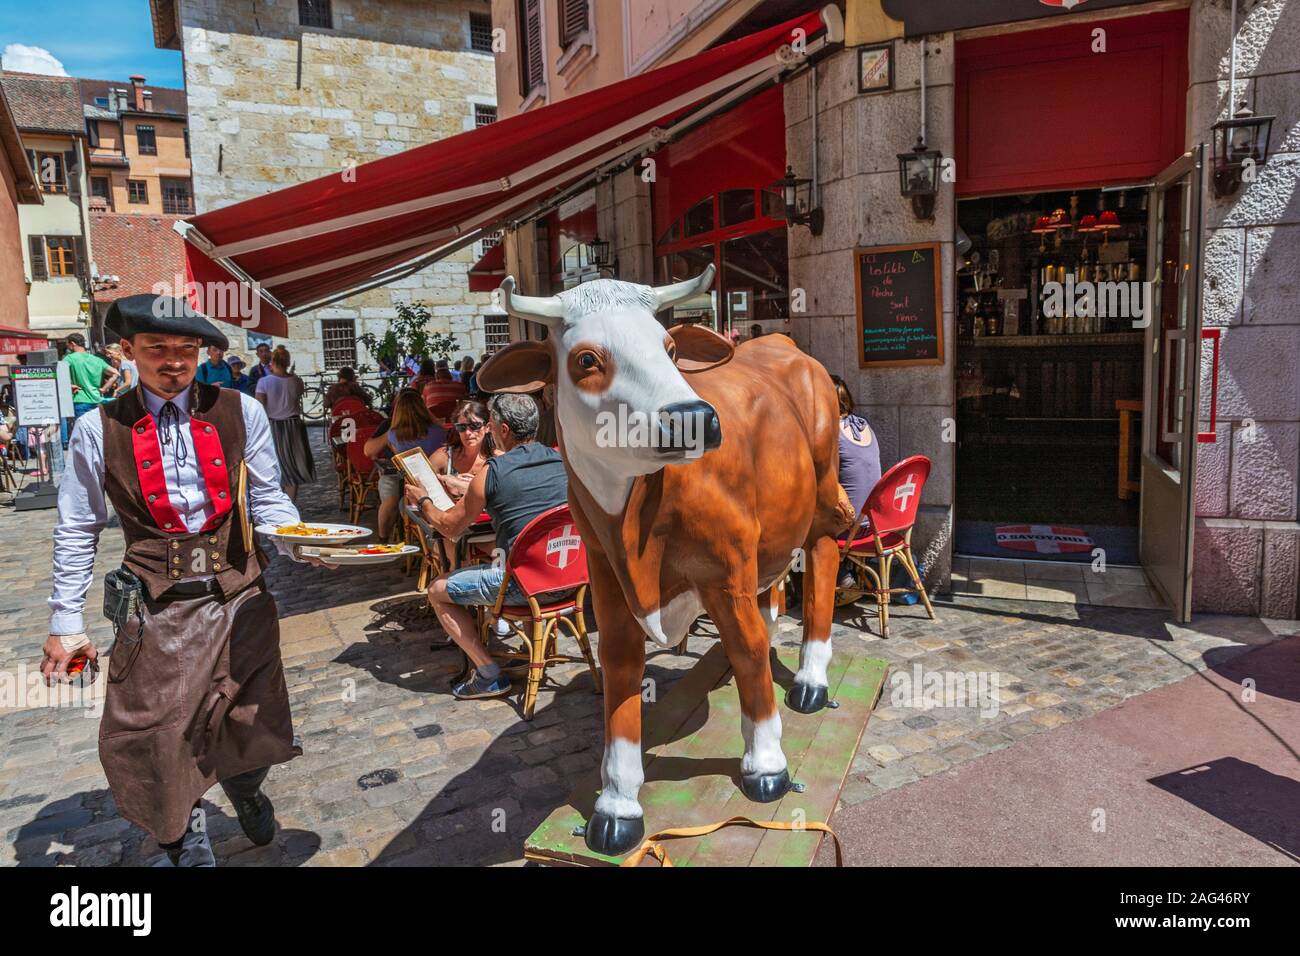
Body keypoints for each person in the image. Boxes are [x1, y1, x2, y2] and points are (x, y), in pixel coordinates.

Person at [42, 293, 337, 867]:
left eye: (186, 349)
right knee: (158, 732)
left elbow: (267, 496)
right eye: (157, 349)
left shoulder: (241, 410)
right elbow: (77, 527)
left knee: (250, 715)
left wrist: (300, 540)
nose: (174, 361)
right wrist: (65, 622)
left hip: (238, 594)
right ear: (127, 351)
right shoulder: (96, 428)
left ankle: (246, 788)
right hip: (156, 608)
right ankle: (183, 835)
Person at [408, 393, 568, 700]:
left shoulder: (494, 472)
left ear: (504, 430)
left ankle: (487, 674)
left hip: (523, 585)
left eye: (491, 425)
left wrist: (424, 500)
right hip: (570, 581)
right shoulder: (563, 461)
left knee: (437, 590)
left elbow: (449, 527)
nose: (489, 431)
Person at [363, 390, 446, 540]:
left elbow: (371, 453)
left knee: (391, 500)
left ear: (397, 408)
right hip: (432, 479)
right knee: (394, 498)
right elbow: (369, 451)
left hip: (405, 479)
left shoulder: (394, 433)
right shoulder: (439, 430)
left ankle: (383, 540)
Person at [830, 375, 882, 586]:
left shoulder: (832, 432)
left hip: (852, 528)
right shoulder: (863, 424)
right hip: (877, 524)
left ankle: (839, 573)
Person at [255, 346, 315, 499]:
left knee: (277, 465)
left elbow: (259, 407)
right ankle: (291, 503)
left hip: (274, 427)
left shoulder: (264, 382)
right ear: (288, 362)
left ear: (272, 362)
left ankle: (280, 503)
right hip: (294, 427)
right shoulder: (296, 381)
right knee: (292, 467)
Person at [62, 333, 118, 418]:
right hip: (97, 401)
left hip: (80, 400)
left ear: (73, 344)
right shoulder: (97, 360)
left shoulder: (69, 358)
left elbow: (59, 376)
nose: (67, 348)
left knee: (82, 429)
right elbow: (115, 373)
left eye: (68, 345)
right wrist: (104, 388)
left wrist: (70, 386)